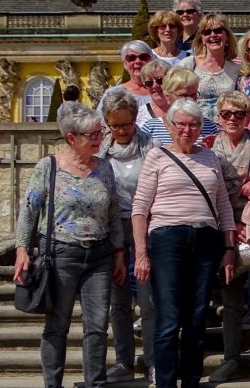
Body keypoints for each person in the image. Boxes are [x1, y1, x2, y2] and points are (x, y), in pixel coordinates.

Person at [14, 102, 124, 388]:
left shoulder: (105, 169)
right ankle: (53, 384)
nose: (99, 139)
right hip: (60, 254)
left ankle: (95, 384)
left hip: (99, 255)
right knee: (57, 325)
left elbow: (113, 213)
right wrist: (22, 249)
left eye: (100, 133)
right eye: (93, 135)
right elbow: (29, 209)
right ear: (71, 138)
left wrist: (119, 252)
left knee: (97, 327)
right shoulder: (48, 167)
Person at [132, 97, 237, 388]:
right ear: (170, 126)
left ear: (201, 128)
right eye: (181, 124)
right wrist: (141, 253)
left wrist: (229, 249)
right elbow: (140, 207)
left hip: (206, 239)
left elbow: (224, 206)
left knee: (197, 315)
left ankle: (190, 381)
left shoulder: (210, 157)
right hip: (168, 237)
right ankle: (165, 382)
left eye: (193, 125)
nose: (187, 130)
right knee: (169, 316)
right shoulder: (157, 156)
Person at [98, 89, 159, 385]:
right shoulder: (100, 151)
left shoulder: (151, 147)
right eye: (116, 126)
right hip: (112, 228)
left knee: (148, 301)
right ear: (107, 125)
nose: (122, 131)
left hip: (145, 225)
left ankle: (152, 360)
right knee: (117, 300)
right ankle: (123, 360)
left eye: (127, 124)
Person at [208, 91, 250, 383]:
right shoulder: (208, 149)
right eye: (227, 114)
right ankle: (231, 358)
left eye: (239, 114)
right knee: (231, 301)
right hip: (224, 230)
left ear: (248, 118)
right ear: (218, 117)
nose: (232, 119)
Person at [177, 13, 241, 121]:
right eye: (207, 32)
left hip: (225, 129)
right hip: (194, 128)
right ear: (202, 38)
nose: (213, 35)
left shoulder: (237, 69)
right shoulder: (188, 65)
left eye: (218, 30)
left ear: (226, 35)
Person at [139, 67, 220, 145]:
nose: (189, 100)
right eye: (183, 95)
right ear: (167, 96)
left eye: (193, 95)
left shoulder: (210, 127)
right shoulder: (150, 128)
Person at [98, 40, 154, 110]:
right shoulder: (112, 94)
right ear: (125, 64)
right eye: (131, 58)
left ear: (151, 61)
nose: (137, 61)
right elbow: (100, 120)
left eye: (143, 57)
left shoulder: (162, 92)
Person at [137, 60, 172, 125]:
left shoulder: (183, 110)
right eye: (149, 83)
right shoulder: (138, 115)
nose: (155, 85)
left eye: (160, 80)